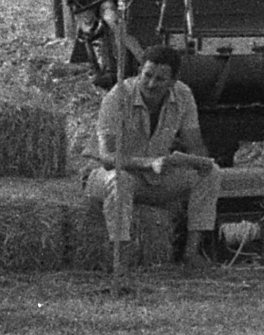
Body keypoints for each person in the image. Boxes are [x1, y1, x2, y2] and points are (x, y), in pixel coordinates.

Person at [90, 34, 220, 279]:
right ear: (139, 71)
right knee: (119, 180)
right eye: (147, 75)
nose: (150, 84)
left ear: (173, 81)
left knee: (211, 174)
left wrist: (199, 162)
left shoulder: (183, 95)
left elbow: (194, 143)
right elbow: (107, 157)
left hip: (155, 179)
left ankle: (192, 252)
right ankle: (122, 258)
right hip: (113, 175)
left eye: (160, 79)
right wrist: (148, 163)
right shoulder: (117, 96)